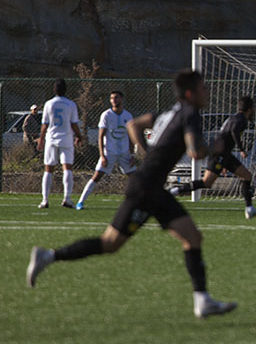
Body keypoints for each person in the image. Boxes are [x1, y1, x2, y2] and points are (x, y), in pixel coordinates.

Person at [26, 69, 237, 319]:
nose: (208, 92)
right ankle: (49, 256)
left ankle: (202, 301)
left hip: (151, 187)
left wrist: (146, 150)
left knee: (189, 238)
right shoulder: (191, 114)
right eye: (204, 88)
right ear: (191, 93)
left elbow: (133, 124)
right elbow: (195, 152)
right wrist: (218, 146)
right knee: (111, 243)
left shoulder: (171, 113)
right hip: (146, 189)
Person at [170, 95, 256, 220]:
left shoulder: (235, 118)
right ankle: (174, 191)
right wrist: (241, 149)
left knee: (246, 175)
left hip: (225, 155)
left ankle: (249, 209)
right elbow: (234, 131)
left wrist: (225, 163)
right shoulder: (240, 120)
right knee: (207, 182)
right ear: (250, 109)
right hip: (219, 154)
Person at [76, 91, 136, 210]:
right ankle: (80, 202)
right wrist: (102, 155)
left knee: (136, 177)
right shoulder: (106, 115)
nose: (114, 100)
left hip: (124, 153)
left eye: (116, 98)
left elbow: (131, 137)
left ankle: (143, 202)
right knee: (97, 175)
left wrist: (132, 154)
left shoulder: (128, 116)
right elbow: (100, 136)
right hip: (110, 152)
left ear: (122, 99)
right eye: (112, 98)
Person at [37, 79, 83, 209]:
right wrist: (79, 136)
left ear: (54, 90)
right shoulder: (71, 104)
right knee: (67, 168)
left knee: (48, 168)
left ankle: (45, 200)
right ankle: (67, 199)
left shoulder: (48, 104)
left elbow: (44, 123)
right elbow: (74, 123)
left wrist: (41, 138)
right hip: (66, 139)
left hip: (51, 138)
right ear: (66, 90)